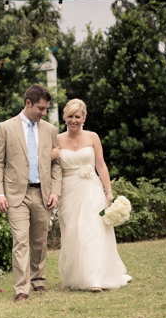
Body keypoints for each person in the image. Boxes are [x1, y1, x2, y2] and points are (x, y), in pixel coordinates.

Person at [51, 98, 131, 292]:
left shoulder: (93, 137)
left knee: (93, 230)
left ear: (84, 117)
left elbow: (101, 165)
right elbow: (49, 166)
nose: (73, 120)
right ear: (64, 117)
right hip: (69, 191)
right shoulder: (57, 139)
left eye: (77, 116)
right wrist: (50, 156)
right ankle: (75, 276)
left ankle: (94, 278)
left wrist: (108, 190)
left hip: (92, 189)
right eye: (70, 116)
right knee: (73, 232)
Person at [0, 84, 61, 302]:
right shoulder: (6, 127)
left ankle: (38, 279)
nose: (43, 113)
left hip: (43, 193)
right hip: (15, 195)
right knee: (20, 241)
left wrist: (55, 192)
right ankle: (21, 289)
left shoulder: (50, 129)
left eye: (46, 109)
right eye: (40, 108)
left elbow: (56, 164)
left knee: (39, 241)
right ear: (28, 103)